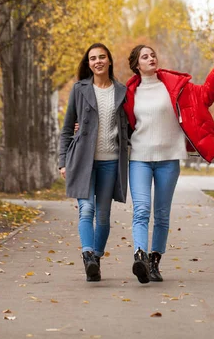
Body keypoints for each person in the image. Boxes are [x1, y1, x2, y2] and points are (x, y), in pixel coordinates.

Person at [123, 44, 214, 283]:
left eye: (153, 54)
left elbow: (207, 94)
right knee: (141, 210)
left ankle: (154, 262)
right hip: (140, 159)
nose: (151, 58)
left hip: (168, 160)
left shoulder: (175, 86)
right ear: (136, 65)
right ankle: (140, 255)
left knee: (162, 215)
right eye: (145, 56)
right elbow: (111, 117)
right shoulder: (129, 92)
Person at [58, 43, 129, 282]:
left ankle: (96, 259)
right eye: (92, 58)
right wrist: (62, 162)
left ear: (109, 60)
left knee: (104, 215)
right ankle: (87, 255)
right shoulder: (79, 89)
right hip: (82, 161)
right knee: (86, 209)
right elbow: (67, 128)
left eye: (102, 57)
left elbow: (128, 125)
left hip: (110, 162)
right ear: (88, 64)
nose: (97, 61)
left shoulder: (121, 91)